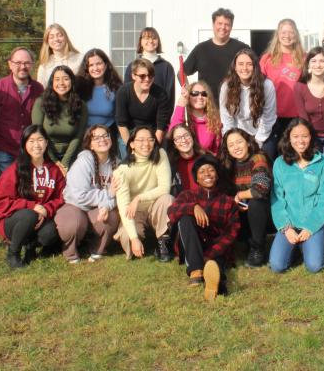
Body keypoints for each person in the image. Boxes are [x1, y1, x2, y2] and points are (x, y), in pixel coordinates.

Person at [168, 154, 241, 300]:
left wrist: (209, 255)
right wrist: (193, 207)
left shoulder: (228, 201)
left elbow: (232, 232)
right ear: (196, 178)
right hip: (192, 246)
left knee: (216, 261)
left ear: (217, 175)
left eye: (211, 170)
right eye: (202, 172)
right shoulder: (187, 196)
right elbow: (171, 212)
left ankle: (217, 286)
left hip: (217, 245)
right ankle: (196, 270)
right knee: (185, 218)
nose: (207, 174)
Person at [0, 125, 65, 269]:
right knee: (29, 215)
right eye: (31, 141)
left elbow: (62, 196)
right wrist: (32, 207)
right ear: (24, 144)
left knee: (50, 233)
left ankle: (30, 246)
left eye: (40, 140)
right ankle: (13, 253)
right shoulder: (14, 169)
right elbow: (2, 202)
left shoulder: (54, 170)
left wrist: (46, 209)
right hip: (13, 221)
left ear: (46, 143)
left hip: (42, 217)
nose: (36, 145)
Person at [269, 119, 324, 274]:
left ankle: (307, 245)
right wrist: (286, 228)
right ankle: (296, 247)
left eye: (305, 136)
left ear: (311, 137)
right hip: (289, 223)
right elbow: (277, 200)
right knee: (277, 266)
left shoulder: (322, 162)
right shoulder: (279, 163)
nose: (300, 141)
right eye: (295, 136)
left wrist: (310, 227)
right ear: (288, 138)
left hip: (313, 222)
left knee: (314, 266)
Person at [55, 125, 120, 263]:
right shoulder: (84, 161)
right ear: (90, 144)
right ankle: (71, 252)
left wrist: (107, 206)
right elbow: (80, 196)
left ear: (111, 139)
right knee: (73, 222)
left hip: (96, 209)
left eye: (105, 136)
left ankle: (97, 249)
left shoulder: (117, 163)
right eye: (96, 138)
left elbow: (120, 195)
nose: (102, 140)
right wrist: (107, 195)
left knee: (111, 217)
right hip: (74, 205)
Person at [0, 47, 44, 175]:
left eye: (26, 63)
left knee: (30, 190)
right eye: (18, 63)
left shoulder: (38, 89)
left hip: (30, 150)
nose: (22, 66)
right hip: (4, 151)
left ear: (32, 65)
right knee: (10, 189)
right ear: (10, 64)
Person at [114, 126, 175, 261]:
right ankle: (141, 241)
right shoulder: (122, 171)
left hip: (155, 206)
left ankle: (163, 241)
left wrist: (139, 198)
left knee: (168, 199)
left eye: (150, 140)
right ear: (132, 144)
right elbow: (124, 206)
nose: (146, 144)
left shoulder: (161, 154)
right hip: (134, 212)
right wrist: (134, 238)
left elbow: (165, 188)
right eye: (140, 140)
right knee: (128, 238)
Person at [218, 128, 272, 267]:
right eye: (231, 145)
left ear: (247, 142)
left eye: (239, 142)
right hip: (241, 210)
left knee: (255, 203)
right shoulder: (229, 164)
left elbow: (261, 189)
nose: (236, 147)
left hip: (263, 211)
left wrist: (240, 195)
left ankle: (258, 248)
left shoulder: (258, 158)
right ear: (227, 149)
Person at [219, 48, 277, 159]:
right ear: (235, 67)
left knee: (263, 160)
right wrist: (234, 141)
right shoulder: (226, 87)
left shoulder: (267, 85)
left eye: (249, 64)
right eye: (240, 64)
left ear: (255, 67)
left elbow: (268, 119)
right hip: (237, 133)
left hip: (263, 133)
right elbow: (227, 120)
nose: (244, 68)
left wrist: (256, 143)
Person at [31, 65, 88, 174]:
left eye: (66, 79)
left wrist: (65, 163)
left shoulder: (81, 105)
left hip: (71, 155)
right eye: (57, 79)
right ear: (52, 82)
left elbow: (78, 136)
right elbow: (38, 134)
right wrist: (55, 162)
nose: (61, 83)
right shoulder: (41, 103)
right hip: (44, 154)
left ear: (72, 82)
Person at [183, 8, 250, 99]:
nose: (223, 27)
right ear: (213, 24)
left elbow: (255, 72)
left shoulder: (242, 49)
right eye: (220, 23)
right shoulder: (201, 49)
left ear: (231, 26)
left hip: (234, 104)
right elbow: (182, 72)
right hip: (207, 106)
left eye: (227, 24)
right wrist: (189, 92)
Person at [260, 18, 305, 149]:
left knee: (291, 156)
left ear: (296, 35)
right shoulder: (267, 58)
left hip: (295, 117)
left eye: (291, 32)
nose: (287, 36)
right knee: (270, 155)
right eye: (283, 32)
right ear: (278, 35)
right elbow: (257, 86)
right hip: (271, 116)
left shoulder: (304, 58)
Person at [116, 58, 172, 150]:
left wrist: (152, 148)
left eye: (151, 76)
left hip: (152, 136)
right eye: (142, 76)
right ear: (133, 76)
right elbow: (122, 124)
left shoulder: (160, 94)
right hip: (129, 135)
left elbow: (160, 126)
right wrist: (131, 147)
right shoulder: (123, 92)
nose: (147, 79)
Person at [76, 48, 123, 139]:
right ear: (86, 68)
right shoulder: (79, 87)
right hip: (83, 135)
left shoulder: (116, 88)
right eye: (91, 65)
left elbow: (120, 118)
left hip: (107, 134)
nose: (95, 68)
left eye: (99, 64)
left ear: (105, 65)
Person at [124, 27, 176, 106]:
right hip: (135, 115)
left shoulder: (167, 67)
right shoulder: (132, 66)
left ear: (158, 42)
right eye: (147, 38)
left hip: (160, 115)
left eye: (154, 38)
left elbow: (169, 97)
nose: (151, 41)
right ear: (141, 42)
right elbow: (126, 94)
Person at [168, 81, 221, 154]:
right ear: (188, 96)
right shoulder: (183, 118)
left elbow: (216, 150)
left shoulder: (214, 121)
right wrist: (182, 101)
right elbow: (173, 131)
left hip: (204, 162)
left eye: (204, 94)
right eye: (195, 93)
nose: (200, 97)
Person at [166, 123, 205, 195]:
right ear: (174, 145)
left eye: (186, 135)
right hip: (182, 203)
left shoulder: (206, 159)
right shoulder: (171, 165)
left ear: (192, 137)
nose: (183, 140)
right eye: (178, 138)